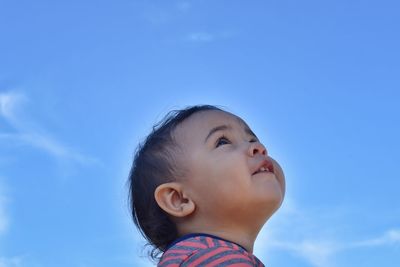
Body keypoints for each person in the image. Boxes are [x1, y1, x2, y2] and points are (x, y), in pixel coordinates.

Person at [128, 104, 286, 266]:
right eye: (223, 142)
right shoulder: (212, 256)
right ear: (179, 199)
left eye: (252, 140)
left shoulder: (206, 256)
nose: (259, 148)